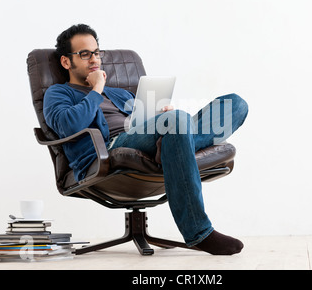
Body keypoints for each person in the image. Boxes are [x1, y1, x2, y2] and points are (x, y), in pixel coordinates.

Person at [43, 24, 249, 255]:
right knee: (176, 121)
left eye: (96, 52)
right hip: (110, 149)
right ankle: (199, 232)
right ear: (66, 62)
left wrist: (162, 117)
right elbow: (68, 125)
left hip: (145, 136)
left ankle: (172, 142)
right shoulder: (58, 93)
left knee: (235, 104)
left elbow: (142, 122)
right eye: (85, 54)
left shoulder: (121, 94)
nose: (94, 59)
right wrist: (97, 88)